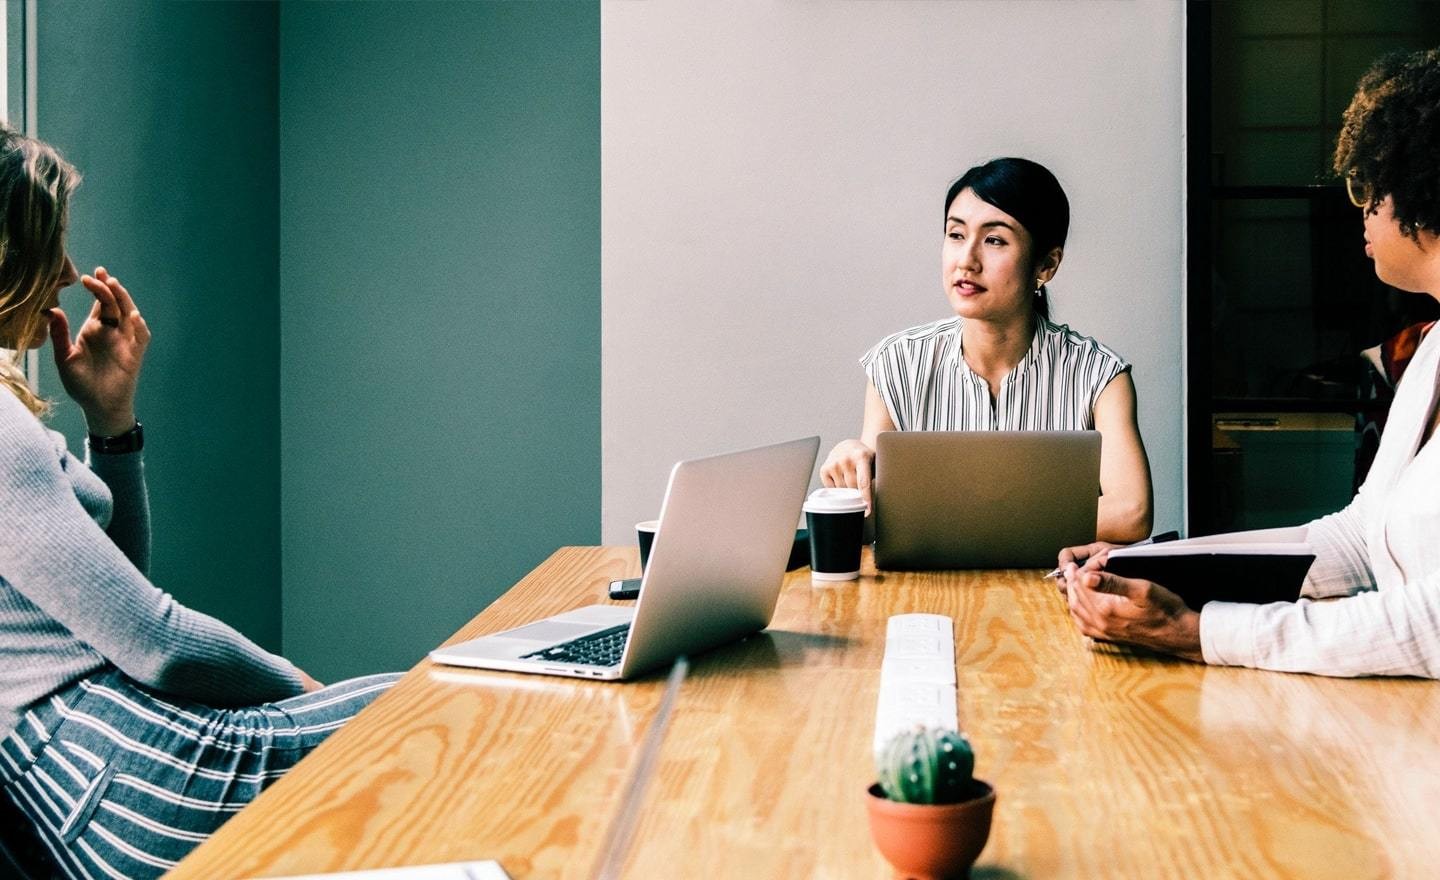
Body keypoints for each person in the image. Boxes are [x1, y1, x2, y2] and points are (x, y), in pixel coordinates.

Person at [0, 126, 400, 878]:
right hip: (121, 774)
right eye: (48, 242)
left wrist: (110, 424)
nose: (67, 273)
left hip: (100, 782)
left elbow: (114, 604)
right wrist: (307, 688)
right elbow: (155, 638)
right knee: (443, 706)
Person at [1060, 47, 1440, 679]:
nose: (1361, 208)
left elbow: (1429, 627)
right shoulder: (1431, 352)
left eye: (1369, 183)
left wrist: (1196, 631)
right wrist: (1150, 568)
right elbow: (1354, 541)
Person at [820, 157, 1153, 543]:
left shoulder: (1099, 375)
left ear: (1046, 265)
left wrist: (950, 517)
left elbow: (1131, 512)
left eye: (994, 240)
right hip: (926, 598)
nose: (967, 260)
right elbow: (873, 519)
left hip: (1051, 595)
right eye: (956, 235)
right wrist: (848, 463)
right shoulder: (896, 364)